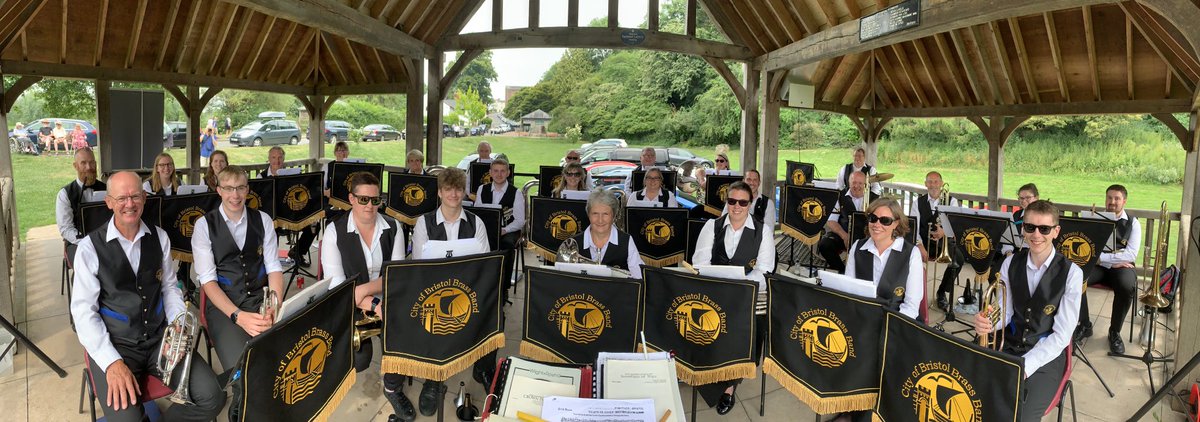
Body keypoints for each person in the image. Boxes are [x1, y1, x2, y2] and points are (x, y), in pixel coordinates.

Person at [70, 171, 225, 422]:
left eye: (134, 196)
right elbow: (83, 314)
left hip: (160, 340)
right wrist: (112, 363)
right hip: (117, 345)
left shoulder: (160, 237)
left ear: (144, 197)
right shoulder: (89, 248)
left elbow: (169, 288)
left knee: (213, 398)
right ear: (109, 202)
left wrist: (178, 322)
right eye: (121, 198)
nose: (129, 204)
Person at [973, 200, 1082, 421]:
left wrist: (1026, 365)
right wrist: (988, 323)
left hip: (1046, 357)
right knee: (973, 397)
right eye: (1030, 227)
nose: (1036, 235)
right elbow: (1005, 311)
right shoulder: (1010, 263)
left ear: (1056, 232)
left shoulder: (1072, 273)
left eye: (1044, 229)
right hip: (1010, 344)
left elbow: (1061, 336)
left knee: (1020, 417)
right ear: (1023, 229)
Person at [320, 173, 415, 421]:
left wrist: (363, 289)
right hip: (350, 303)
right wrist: (371, 300)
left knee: (402, 332)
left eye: (376, 200)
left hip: (387, 298)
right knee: (360, 361)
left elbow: (396, 276)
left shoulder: (394, 227)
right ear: (351, 199)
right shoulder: (333, 232)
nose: (370, 206)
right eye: (363, 199)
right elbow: (338, 288)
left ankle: (392, 387)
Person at [411, 167, 490, 417]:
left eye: (458, 189)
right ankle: (433, 380)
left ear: (464, 191)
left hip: (467, 290)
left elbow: (484, 264)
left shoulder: (477, 223)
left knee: (493, 311)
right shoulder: (423, 223)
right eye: (448, 189)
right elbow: (418, 265)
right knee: (430, 318)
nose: (453, 194)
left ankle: (483, 367)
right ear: (440, 192)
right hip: (432, 291)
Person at [690, 181, 775, 415]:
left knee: (746, 334)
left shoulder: (763, 231)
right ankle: (709, 373)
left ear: (750, 204)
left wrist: (740, 286)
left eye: (742, 202)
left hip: (745, 297)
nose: (736, 206)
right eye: (732, 201)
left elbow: (765, 270)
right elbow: (700, 263)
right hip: (715, 293)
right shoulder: (711, 226)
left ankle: (729, 386)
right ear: (726, 202)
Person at [190, 165, 285, 372]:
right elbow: (208, 281)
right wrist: (238, 316)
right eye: (229, 188)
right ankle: (241, 403)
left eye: (240, 188)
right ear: (219, 190)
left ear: (247, 189)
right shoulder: (203, 226)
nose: (235, 194)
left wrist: (274, 306)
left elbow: (274, 268)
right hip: (224, 308)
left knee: (284, 355)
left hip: (260, 299)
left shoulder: (263, 219)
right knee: (241, 368)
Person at [1077, 185, 1139, 354]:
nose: (1112, 202)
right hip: (1100, 265)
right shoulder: (1095, 218)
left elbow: (1131, 255)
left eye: (1117, 198)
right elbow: (1086, 247)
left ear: (1124, 201)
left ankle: (1115, 332)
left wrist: (1103, 260)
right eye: (1109, 198)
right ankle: (1084, 324)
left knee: (1127, 287)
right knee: (1076, 279)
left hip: (1121, 267)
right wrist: (1108, 261)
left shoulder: (1134, 223)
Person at [847, 197, 924, 320]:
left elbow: (911, 305)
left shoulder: (912, 253)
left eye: (885, 221)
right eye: (873, 218)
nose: (877, 225)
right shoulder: (857, 247)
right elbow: (848, 290)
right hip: (863, 318)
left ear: (896, 223)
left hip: (897, 321)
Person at [908, 171, 962, 311]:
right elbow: (914, 227)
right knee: (909, 256)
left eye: (936, 181)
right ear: (925, 184)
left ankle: (942, 291)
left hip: (944, 242)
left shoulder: (952, 201)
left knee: (959, 259)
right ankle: (913, 293)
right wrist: (919, 245)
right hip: (924, 242)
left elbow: (956, 225)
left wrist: (944, 232)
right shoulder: (917, 203)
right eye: (930, 182)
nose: (933, 185)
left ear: (942, 183)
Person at [473, 158, 525, 286]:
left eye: (502, 171)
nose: (499, 174)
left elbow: (520, 221)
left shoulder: (516, 193)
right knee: (474, 242)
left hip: (507, 230)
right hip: (486, 229)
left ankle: (503, 286)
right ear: (490, 172)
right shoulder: (481, 189)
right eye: (495, 171)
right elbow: (478, 214)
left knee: (506, 245)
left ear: (508, 173)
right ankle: (481, 282)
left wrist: (504, 230)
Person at [572, 189, 644, 278]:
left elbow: (639, 277)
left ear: (613, 216)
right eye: (595, 214)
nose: (600, 220)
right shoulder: (574, 243)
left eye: (605, 214)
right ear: (588, 215)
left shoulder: (626, 241)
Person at [57, 147, 106, 262]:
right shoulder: (65, 194)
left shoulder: (108, 188)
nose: (88, 167)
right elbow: (66, 229)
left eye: (91, 162)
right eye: (83, 163)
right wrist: (88, 242)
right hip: (77, 243)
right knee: (88, 262)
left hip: (105, 240)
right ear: (75, 166)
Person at [818, 171, 868, 273]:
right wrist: (844, 235)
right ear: (849, 183)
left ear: (865, 184)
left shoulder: (873, 197)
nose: (856, 186)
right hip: (844, 233)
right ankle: (842, 271)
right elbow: (831, 220)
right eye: (854, 182)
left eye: (860, 183)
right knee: (824, 245)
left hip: (866, 236)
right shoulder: (840, 196)